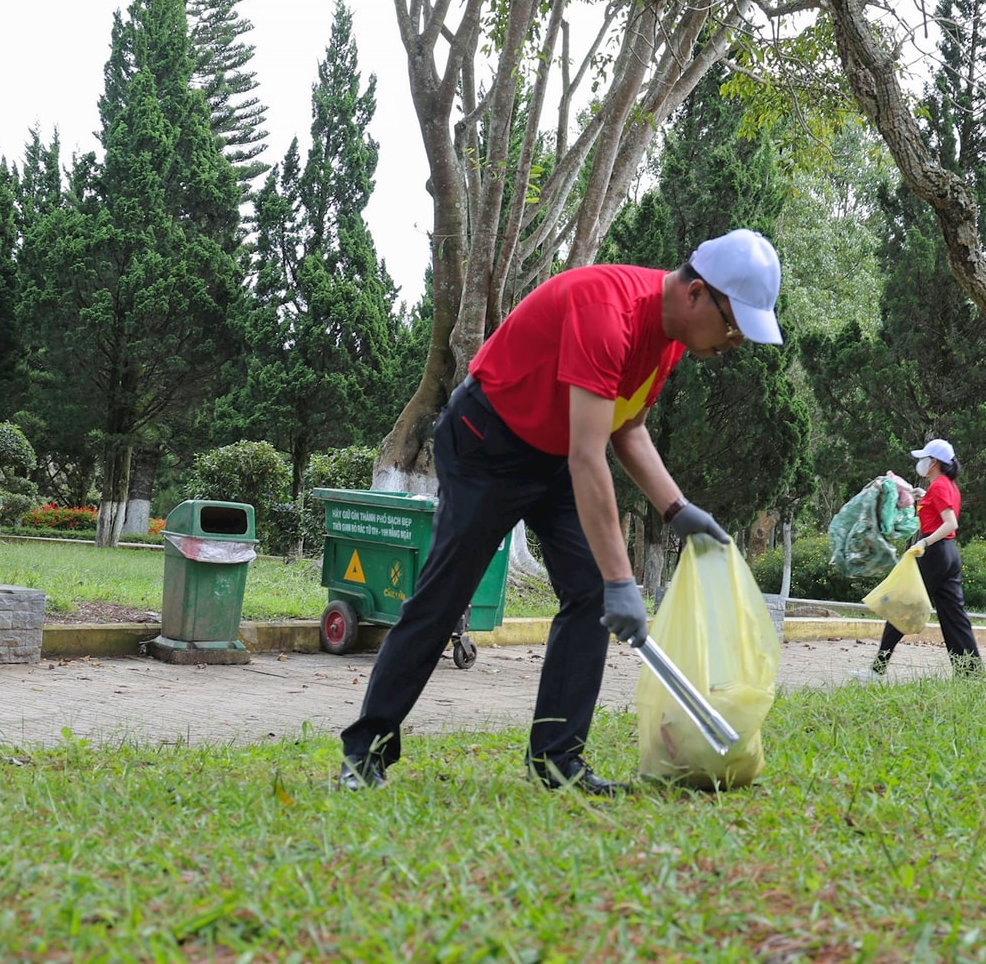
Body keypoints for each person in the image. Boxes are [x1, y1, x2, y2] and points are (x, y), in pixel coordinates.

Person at [337, 229, 786, 795]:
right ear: (697, 293)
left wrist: (677, 509)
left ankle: (556, 761)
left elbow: (627, 427)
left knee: (591, 596)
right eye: (733, 323)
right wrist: (624, 579)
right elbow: (588, 454)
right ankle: (365, 752)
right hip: (487, 443)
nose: (734, 340)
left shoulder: (671, 339)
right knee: (445, 596)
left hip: (554, 454)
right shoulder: (611, 312)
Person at [860, 438, 982, 677]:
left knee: (900, 606)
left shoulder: (940, 486)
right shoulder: (946, 485)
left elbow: (950, 523)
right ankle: (972, 674)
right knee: (955, 616)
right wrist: (916, 494)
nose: (921, 463)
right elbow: (938, 508)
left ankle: (876, 670)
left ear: (934, 462)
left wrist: (924, 542)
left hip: (934, 553)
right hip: (949, 555)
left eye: (924, 459)